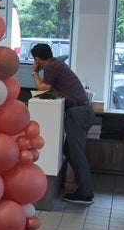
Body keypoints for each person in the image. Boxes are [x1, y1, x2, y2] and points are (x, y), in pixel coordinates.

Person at [30, 43, 94, 205]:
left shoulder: (51, 67)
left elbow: (43, 88)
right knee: (70, 149)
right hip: (82, 111)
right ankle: (84, 189)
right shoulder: (57, 64)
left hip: (77, 113)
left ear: (37, 59)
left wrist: (35, 72)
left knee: (76, 152)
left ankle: (85, 193)